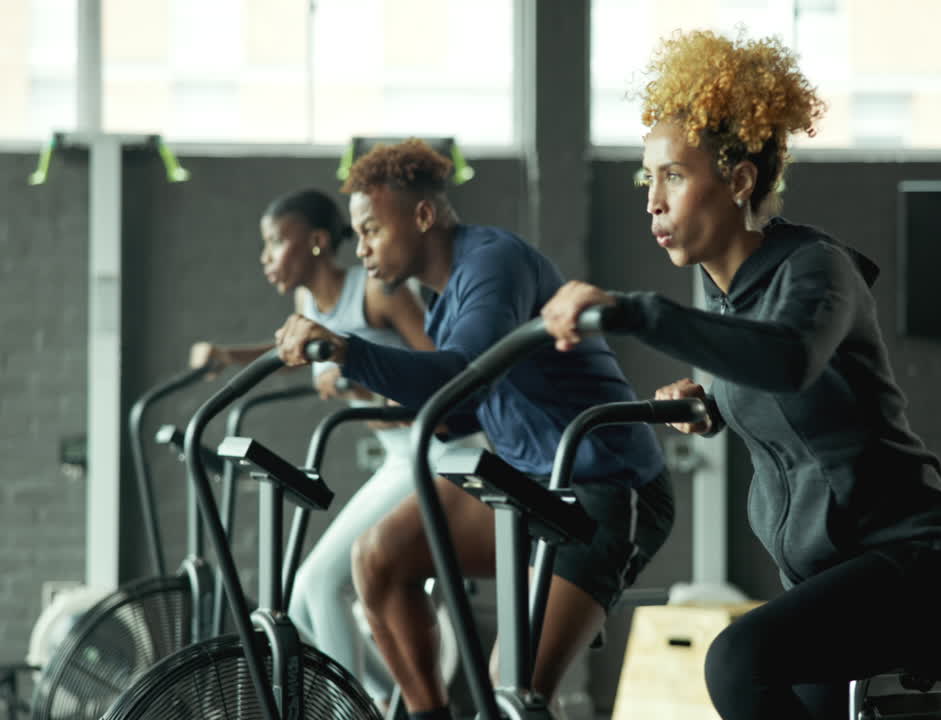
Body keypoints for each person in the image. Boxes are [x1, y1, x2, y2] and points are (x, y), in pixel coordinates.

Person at [539, 29, 941, 720]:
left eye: (674, 176)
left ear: (740, 181)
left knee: (736, 662)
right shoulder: (726, 294)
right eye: (648, 178)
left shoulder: (817, 268)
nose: (652, 200)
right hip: (825, 578)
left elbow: (789, 359)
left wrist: (635, 312)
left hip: (912, 564)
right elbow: (774, 381)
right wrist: (711, 404)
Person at [271, 139, 674, 720]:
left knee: (508, 696)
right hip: (531, 488)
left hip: (603, 490)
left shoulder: (492, 262)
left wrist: (348, 351)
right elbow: (457, 409)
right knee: (379, 558)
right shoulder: (443, 306)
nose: (360, 250)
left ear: (423, 216)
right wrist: (374, 389)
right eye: (356, 235)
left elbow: (460, 372)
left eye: (372, 231)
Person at [189, 188, 457, 706]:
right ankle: (383, 702)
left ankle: (353, 710)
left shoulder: (378, 293)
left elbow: (449, 381)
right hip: (398, 457)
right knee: (302, 596)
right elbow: (293, 352)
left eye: (275, 242)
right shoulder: (307, 303)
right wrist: (229, 355)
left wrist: (358, 380)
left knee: (322, 583)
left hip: (437, 453)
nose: (266, 257)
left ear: (315, 241)